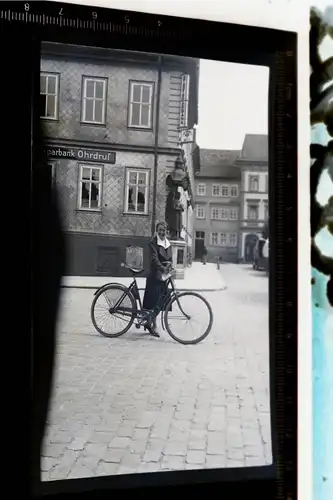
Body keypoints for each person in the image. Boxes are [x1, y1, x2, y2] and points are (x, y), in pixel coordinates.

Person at [142, 222, 173, 337]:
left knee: (162, 301)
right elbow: (154, 259)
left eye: (163, 230)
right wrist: (162, 268)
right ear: (156, 231)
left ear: (166, 231)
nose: (161, 232)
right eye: (159, 230)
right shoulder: (153, 243)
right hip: (154, 275)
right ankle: (152, 324)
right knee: (153, 301)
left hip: (163, 276)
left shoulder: (168, 243)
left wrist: (170, 268)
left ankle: (149, 322)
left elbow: (170, 258)